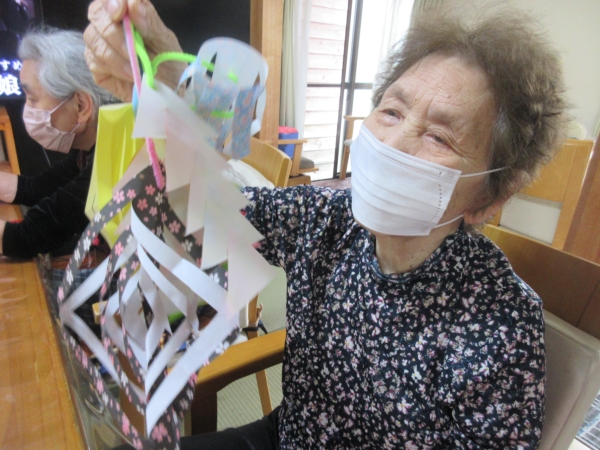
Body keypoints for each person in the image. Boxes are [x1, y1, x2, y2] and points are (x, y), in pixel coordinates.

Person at [85, 1, 568, 448]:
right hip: (289, 435)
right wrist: (168, 78)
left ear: (489, 198)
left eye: (439, 137)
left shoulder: (502, 328)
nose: (393, 143)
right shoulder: (326, 218)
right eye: (391, 111)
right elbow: (208, 206)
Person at [0, 28, 113, 266]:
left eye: (33, 99)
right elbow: (36, 188)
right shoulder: (89, 147)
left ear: (81, 106)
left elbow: (26, 238)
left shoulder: (114, 158)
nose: (27, 110)